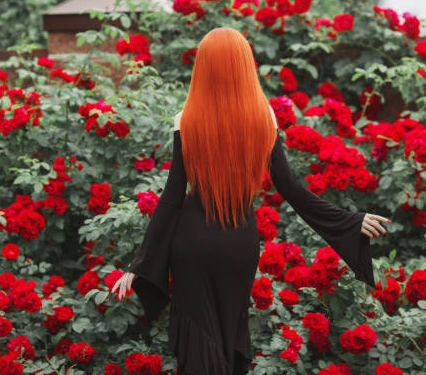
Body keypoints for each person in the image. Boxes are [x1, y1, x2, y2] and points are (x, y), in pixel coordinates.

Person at [112, 27, 390, 375]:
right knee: (228, 336)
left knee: (200, 340)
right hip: (239, 245)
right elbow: (291, 189)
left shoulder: (187, 120)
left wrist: (139, 264)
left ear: (205, 68)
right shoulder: (264, 118)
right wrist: (349, 221)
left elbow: (171, 198)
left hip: (192, 245)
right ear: (245, 65)